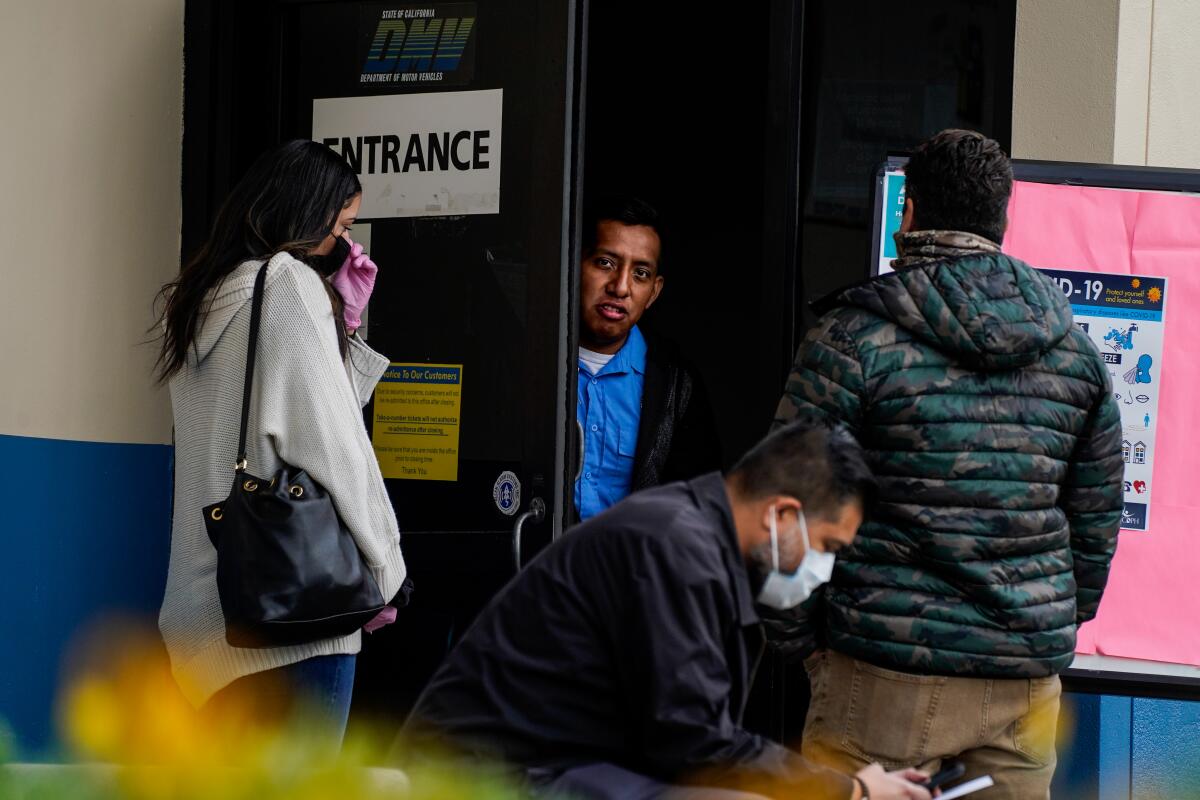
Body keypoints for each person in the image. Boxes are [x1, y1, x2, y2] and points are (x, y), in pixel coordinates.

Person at [771, 129, 1124, 797]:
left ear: (909, 212)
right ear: (1002, 219)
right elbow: (1096, 521)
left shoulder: (855, 338)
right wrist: (1046, 622)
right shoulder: (1074, 351)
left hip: (880, 674)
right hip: (1024, 687)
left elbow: (784, 508)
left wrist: (803, 644)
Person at [401, 420, 932, 800]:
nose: (825, 569)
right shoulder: (677, 550)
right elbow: (695, 743)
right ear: (784, 515)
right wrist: (852, 789)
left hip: (554, 760)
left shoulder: (698, 540)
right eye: (829, 546)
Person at [154, 140, 407, 743]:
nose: (341, 245)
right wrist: (385, 568)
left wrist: (343, 326)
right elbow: (334, 443)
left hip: (203, 621)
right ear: (310, 212)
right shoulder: (289, 285)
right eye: (342, 226)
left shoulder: (195, 300)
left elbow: (281, 408)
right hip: (291, 623)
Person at [574, 195, 720, 520]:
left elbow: (699, 510)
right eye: (605, 263)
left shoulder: (675, 385)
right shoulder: (529, 365)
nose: (621, 287)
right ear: (573, 265)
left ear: (653, 292)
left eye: (640, 273)